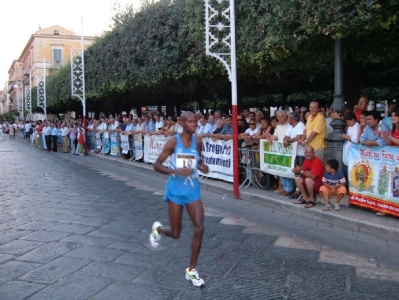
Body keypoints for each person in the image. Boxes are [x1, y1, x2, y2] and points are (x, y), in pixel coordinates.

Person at [150, 111, 209, 287]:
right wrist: (176, 171)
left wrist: (201, 165)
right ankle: (159, 230)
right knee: (176, 234)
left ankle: (191, 271)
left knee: (199, 228)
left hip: (192, 189)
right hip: (175, 190)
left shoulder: (197, 141)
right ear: (181, 123)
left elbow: (198, 160)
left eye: (195, 122)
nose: (194, 125)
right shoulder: (173, 142)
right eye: (190, 122)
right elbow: (157, 165)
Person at [341, 111, 360, 179]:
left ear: (353, 119)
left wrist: (346, 137)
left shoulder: (357, 126)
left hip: (352, 155)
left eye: (348, 121)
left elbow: (355, 140)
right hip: (346, 154)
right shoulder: (350, 127)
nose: (347, 123)